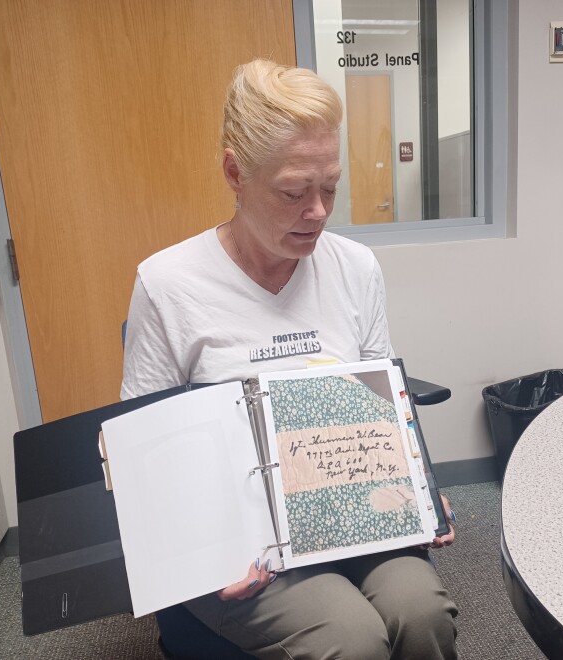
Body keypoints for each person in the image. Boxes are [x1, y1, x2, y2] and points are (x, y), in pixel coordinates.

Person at [121, 59, 457, 660]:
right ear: (235, 173)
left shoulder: (354, 268)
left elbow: (383, 406)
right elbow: (141, 461)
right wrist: (198, 558)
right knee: (352, 639)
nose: (319, 211)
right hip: (242, 543)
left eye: (331, 187)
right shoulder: (168, 285)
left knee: (422, 613)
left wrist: (416, 487)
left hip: (351, 513)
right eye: (294, 192)